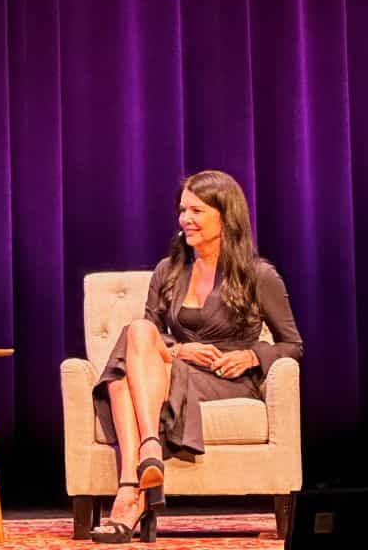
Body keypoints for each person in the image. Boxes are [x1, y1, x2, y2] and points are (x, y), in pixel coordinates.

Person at [89, 170, 303, 544]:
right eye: (183, 210)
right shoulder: (168, 271)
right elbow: (148, 337)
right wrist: (178, 349)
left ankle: (129, 491)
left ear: (226, 215)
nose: (185, 219)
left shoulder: (258, 274)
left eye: (197, 211)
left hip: (225, 376)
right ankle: (147, 454)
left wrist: (253, 357)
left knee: (121, 376)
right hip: (174, 368)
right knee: (136, 332)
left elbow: (292, 345)